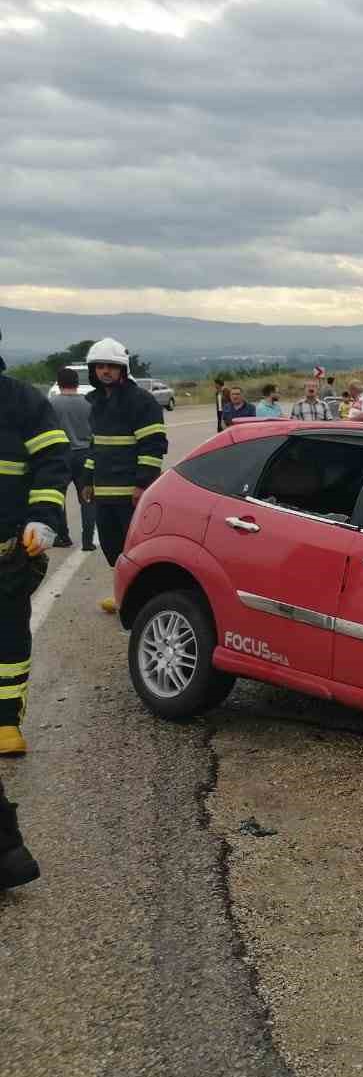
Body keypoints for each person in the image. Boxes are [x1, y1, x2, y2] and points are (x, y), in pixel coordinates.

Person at [0, 326, 70, 772]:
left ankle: (5, 721)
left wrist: (43, 518)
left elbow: (54, 460)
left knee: (7, 633)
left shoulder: (21, 400)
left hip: (6, 547)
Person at [84, 338, 167, 614]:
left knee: (135, 550)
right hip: (104, 493)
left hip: (131, 493)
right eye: (100, 366)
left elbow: (153, 445)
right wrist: (87, 480)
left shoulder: (140, 402)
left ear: (122, 369)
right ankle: (122, 596)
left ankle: (142, 600)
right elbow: (94, 445)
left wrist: (142, 484)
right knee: (111, 547)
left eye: (111, 366)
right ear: (92, 370)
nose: (105, 371)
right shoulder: (95, 403)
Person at [48, 366, 95, 551]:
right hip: (84, 455)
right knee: (87, 498)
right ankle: (87, 542)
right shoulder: (89, 403)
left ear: (59, 383)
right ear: (77, 383)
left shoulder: (50, 404)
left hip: (60, 455)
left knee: (58, 497)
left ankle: (63, 536)